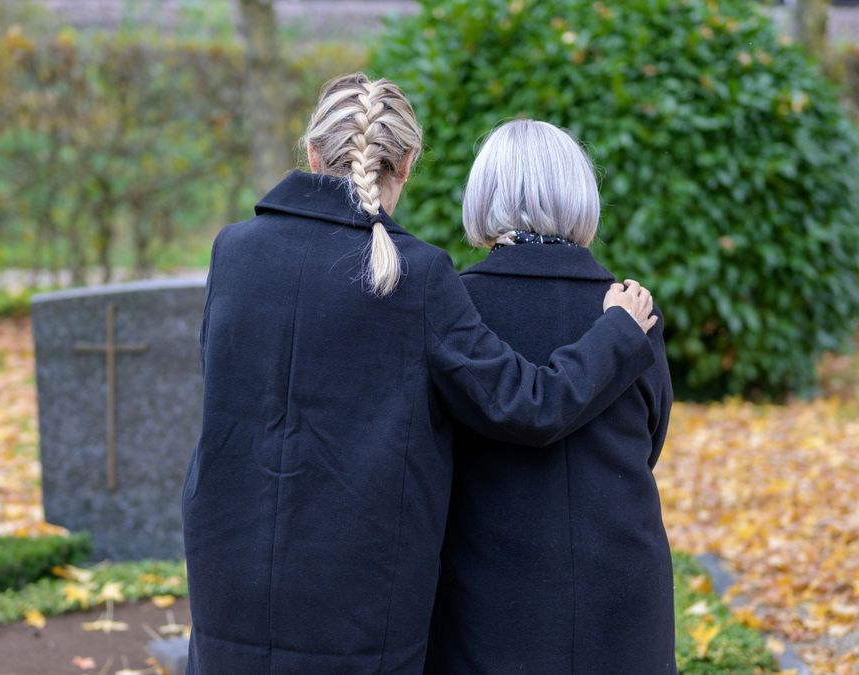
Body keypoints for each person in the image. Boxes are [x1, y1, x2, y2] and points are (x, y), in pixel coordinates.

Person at [181, 74, 659, 675]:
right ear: (406, 162)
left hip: (229, 564)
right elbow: (528, 407)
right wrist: (618, 333)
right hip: (360, 594)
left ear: (311, 152)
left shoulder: (233, 252)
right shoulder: (419, 276)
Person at [425, 120, 675, 674]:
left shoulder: (455, 309)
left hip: (487, 590)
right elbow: (650, 441)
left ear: (483, 196)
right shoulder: (631, 311)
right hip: (623, 585)